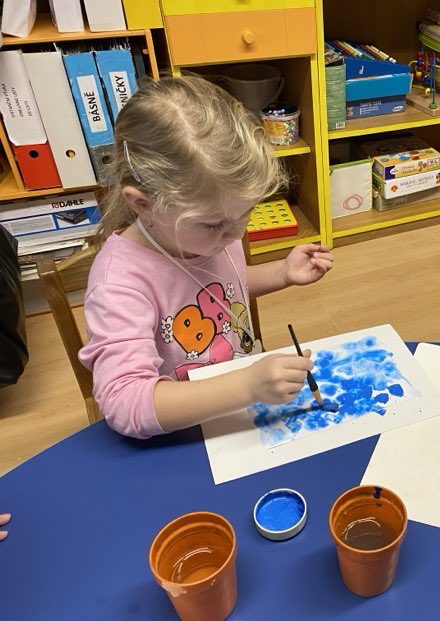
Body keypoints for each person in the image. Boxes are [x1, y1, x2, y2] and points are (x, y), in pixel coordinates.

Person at [79, 76, 333, 439]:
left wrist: (281, 272)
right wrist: (246, 385)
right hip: (181, 434)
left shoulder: (208, 233)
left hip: (237, 411)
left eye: (246, 213)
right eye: (215, 224)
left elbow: (219, 288)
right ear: (143, 204)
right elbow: (124, 403)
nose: (236, 234)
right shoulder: (118, 284)